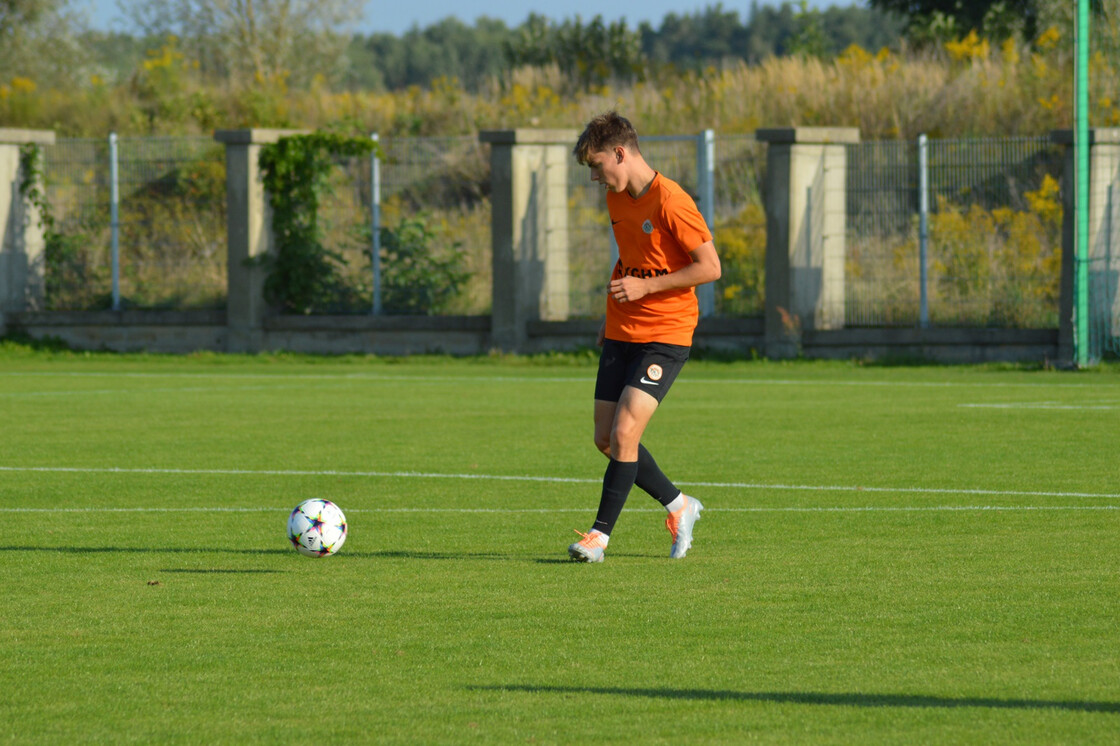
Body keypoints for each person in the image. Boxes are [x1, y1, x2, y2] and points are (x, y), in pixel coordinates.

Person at [568, 111, 721, 563]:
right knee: (607, 439)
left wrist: (646, 288)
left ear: (620, 153)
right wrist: (611, 312)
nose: (595, 177)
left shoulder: (671, 200)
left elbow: (710, 267)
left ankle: (598, 538)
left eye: (597, 166)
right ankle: (679, 505)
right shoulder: (618, 199)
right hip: (622, 326)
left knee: (626, 430)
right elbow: (632, 261)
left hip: (667, 331)